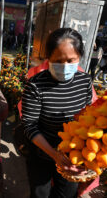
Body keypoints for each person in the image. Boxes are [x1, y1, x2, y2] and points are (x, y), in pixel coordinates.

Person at [22, 28, 93, 198]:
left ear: (79, 57)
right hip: (42, 152)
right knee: (40, 194)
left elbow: (88, 117)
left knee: (67, 195)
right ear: (48, 59)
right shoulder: (35, 85)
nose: (65, 66)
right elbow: (29, 125)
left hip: (72, 155)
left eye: (71, 60)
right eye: (58, 60)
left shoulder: (84, 81)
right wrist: (54, 155)